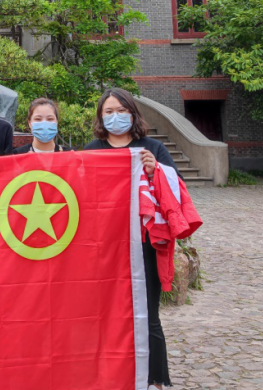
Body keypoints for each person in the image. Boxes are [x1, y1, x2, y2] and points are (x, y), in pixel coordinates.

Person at [82, 87, 176, 389]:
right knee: (105, 314)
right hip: (104, 247)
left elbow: (176, 191)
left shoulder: (152, 148)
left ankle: (156, 380)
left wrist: (155, 170)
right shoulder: (91, 150)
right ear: (100, 117)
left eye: (122, 111)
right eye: (109, 112)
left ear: (133, 114)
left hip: (144, 244)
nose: (116, 117)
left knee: (148, 314)